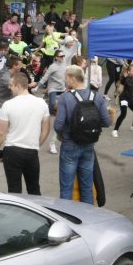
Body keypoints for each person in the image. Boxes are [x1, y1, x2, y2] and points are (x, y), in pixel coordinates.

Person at [54, 65, 110, 204]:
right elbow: (106, 122)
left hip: (69, 145)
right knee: (86, 187)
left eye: (66, 77)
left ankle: (67, 218)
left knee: (67, 188)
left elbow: (58, 125)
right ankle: (87, 219)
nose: (65, 80)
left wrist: (64, 132)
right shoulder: (97, 96)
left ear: (72, 78)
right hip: (89, 145)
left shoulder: (65, 97)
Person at [0, 72, 50, 194]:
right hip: (32, 151)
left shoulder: (8, 104)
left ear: (18, 86)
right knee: (34, 188)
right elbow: (46, 130)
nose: (9, 88)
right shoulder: (41, 103)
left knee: (14, 190)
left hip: (12, 151)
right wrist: (36, 144)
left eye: (11, 85)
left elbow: (1, 132)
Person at [112, 63, 133, 136]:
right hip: (123, 99)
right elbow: (124, 82)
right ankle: (115, 130)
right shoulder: (125, 78)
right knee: (123, 114)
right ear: (128, 71)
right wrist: (124, 76)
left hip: (130, 99)